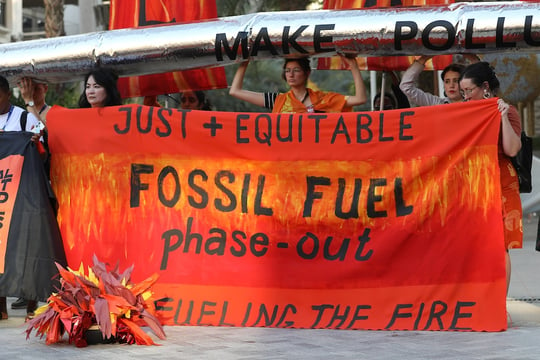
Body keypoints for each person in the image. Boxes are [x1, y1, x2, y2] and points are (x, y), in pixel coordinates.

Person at [459, 61, 522, 294]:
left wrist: (502, 116)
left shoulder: (507, 111)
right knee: (474, 244)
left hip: (499, 180)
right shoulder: (465, 111)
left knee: (499, 245)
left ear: (484, 87)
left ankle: (498, 302)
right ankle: (478, 298)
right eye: (463, 92)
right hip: (473, 181)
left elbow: (512, 149)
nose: (465, 96)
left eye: (469, 91)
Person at [0, 75, 43, 320]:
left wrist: (29, 102)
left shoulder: (23, 116)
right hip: (1, 195)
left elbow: (41, 133)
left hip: (22, 192)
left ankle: (30, 306)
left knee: (24, 247)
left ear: (7, 94)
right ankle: (1, 309)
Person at [229, 56, 367, 113]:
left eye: (296, 70)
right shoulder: (277, 101)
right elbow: (235, 91)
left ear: (307, 73)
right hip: (288, 161)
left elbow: (360, 99)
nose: (291, 74)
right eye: (288, 71)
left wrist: (353, 66)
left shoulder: (323, 100)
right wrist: (244, 62)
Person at [400, 55, 466, 106]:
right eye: (447, 81)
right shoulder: (437, 104)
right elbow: (405, 86)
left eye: (456, 81)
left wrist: (473, 59)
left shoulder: (474, 103)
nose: (451, 86)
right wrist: (423, 59)